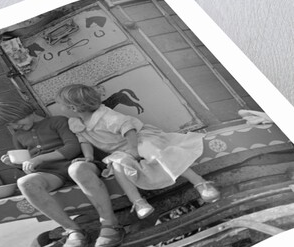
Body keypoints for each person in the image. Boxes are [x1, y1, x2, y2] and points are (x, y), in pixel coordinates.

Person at [56, 84, 221, 220]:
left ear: (73, 107)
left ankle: (200, 182)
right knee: (119, 166)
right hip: (120, 150)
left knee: (152, 151)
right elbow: (84, 140)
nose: (59, 107)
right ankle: (139, 202)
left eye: (61, 104)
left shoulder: (105, 116)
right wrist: (88, 157)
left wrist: (134, 150)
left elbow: (129, 130)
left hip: (138, 138)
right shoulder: (75, 122)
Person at [0, 95, 124, 247]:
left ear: (23, 111)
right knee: (25, 182)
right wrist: (16, 164)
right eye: (10, 125)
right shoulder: (18, 136)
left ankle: (110, 224)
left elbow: (73, 148)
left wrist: (40, 158)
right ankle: (73, 230)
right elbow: (29, 164)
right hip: (52, 174)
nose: (15, 127)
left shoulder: (57, 121)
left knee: (77, 169)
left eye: (16, 121)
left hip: (78, 164)